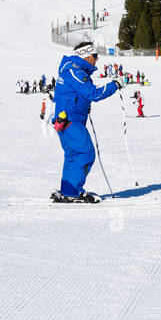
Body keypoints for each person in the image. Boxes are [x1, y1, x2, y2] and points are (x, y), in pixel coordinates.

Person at [51, 41, 121, 201]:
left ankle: (68, 191)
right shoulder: (75, 71)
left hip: (66, 120)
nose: (97, 59)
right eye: (95, 56)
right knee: (85, 153)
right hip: (70, 121)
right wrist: (115, 85)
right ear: (86, 55)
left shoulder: (72, 70)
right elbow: (93, 94)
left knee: (73, 154)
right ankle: (71, 192)